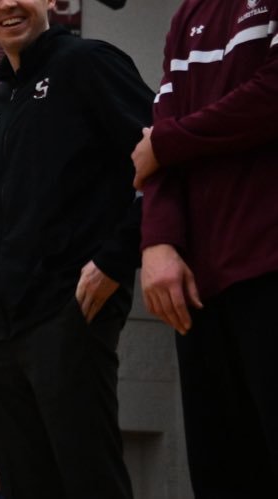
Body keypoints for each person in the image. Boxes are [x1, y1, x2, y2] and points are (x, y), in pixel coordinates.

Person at [0, 1, 151, 497]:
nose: (7, 4)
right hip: (4, 332)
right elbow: (7, 217)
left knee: (89, 480)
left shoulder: (88, 63)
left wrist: (117, 258)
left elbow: (163, 158)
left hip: (70, 311)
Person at [133, 0, 278, 496]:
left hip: (267, 264)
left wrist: (171, 141)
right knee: (221, 472)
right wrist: (157, 242)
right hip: (198, 286)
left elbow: (270, 96)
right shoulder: (189, 12)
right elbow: (154, 147)